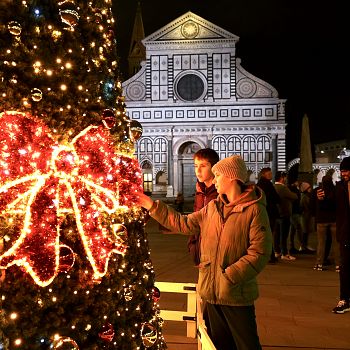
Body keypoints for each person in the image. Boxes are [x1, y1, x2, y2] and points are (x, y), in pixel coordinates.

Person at [138, 155, 272, 350]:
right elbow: (183, 224)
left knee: (247, 345)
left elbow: (259, 252)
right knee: (218, 345)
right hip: (210, 293)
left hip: (235, 295)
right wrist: (151, 205)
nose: (214, 180)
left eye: (218, 176)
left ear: (232, 178)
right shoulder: (213, 208)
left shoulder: (254, 211)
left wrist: (230, 276)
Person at [326, 156, 350, 313]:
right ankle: (344, 299)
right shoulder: (339, 187)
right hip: (346, 233)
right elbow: (331, 204)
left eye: (346, 170)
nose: (344, 174)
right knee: (345, 267)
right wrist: (322, 200)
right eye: (342, 171)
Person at [188, 148, 219, 265]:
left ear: (214, 167)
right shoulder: (200, 191)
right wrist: (193, 246)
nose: (198, 171)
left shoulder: (220, 192)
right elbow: (194, 219)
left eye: (203, 166)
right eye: (196, 166)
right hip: (200, 253)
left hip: (216, 253)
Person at [311, 175, 339, 271]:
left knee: (321, 243)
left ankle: (319, 264)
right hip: (334, 219)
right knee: (336, 243)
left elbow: (312, 205)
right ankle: (338, 265)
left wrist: (315, 215)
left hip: (321, 220)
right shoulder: (335, 190)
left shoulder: (317, 191)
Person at [257, 167, 280, 263]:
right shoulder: (268, 185)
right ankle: (270, 256)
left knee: (262, 234)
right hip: (270, 212)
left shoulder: (258, 185)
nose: (271, 175)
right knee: (269, 234)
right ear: (264, 174)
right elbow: (276, 198)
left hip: (261, 211)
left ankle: (263, 255)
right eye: (269, 174)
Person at [273, 171, 298, 260]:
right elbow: (294, 196)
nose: (286, 179)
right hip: (284, 214)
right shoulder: (282, 188)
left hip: (276, 214)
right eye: (285, 177)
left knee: (276, 235)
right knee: (284, 235)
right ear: (282, 178)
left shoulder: (273, 186)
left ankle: (277, 251)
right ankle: (284, 253)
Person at [299, 182, 316, 253]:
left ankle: (305, 246)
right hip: (305, 216)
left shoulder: (306, 196)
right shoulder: (304, 197)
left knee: (306, 232)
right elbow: (307, 206)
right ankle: (304, 246)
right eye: (309, 188)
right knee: (305, 231)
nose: (311, 189)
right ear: (306, 189)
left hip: (307, 216)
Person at [288, 179, 303, 255]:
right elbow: (296, 199)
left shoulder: (291, 189)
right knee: (298, 228)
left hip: (294, 211)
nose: (298, 182)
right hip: (294, 212)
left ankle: (291, 246)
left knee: (293, 229)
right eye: (296, 181)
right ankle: (302, 245)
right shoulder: (294, 190)